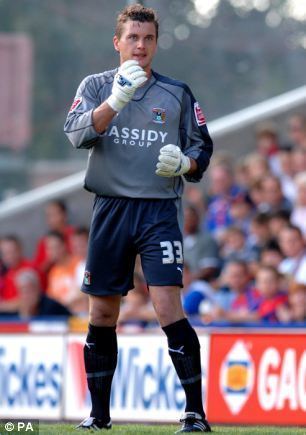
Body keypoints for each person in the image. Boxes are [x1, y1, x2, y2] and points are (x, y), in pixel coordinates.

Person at [64, 4, 213, 433]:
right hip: (110, 207)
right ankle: (98, 415)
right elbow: (76, 133)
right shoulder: (94, 86)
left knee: (167, 307)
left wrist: (184, 163)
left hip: (158, 210)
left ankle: (195, 413)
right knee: (103, 314)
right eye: (132, 37)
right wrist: (116, 100)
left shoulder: (177, 92)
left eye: (148, 38)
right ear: (117, 42)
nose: (140, 45)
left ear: (156, 43)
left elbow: (203, 147)